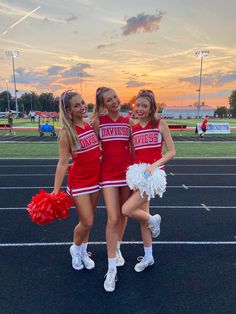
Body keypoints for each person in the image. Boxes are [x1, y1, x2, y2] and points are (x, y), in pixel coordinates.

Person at [122, 89, 176, 273]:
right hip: (140, 174)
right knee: (142, 218)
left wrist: (155, 165)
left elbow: (171, 152)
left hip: (153, 175)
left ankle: (154, 219)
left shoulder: (161, 124)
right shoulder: (134, 129)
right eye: (138, 105)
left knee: (127, 209)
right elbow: (132, 154)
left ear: (152, 107)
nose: (140, 108)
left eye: (145, 105)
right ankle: (149, 256)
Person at [52, 91, 101, 272]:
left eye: (83, 102)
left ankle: (83, 251)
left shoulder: (88, 125)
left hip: (95, 180)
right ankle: (75, 249)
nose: (82, 107)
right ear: (68, 110)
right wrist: (56, 190)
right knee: (86, 222)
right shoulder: (67, 133)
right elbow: (63, 163)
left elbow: (93, 153)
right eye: (77, 105)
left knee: (88, 220)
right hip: (79, 182)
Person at [93, 87, 133, 292]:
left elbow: (134, 148)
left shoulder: (129, 121)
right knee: (113, 217)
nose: (114, 101)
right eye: (108, 100)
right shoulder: (98, 122)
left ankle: (117, 247)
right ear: (103, 104)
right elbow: (88, 144)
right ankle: (110, 270)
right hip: (108, 174)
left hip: (126, 174)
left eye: (115, 97)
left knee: (124, 213)